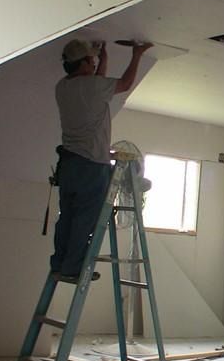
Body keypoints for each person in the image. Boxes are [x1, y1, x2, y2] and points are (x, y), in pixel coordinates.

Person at [49, 38, 152, 282]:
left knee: (67, 216)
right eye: (91, 60)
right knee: (86, 219)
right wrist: (137, 55)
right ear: (84, 63)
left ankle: (60, 263)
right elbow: (124, 83)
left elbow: (96, 86)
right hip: (90, 168)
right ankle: (73, 267)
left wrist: (103, 59)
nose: (95, 63)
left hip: (69, 165)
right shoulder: (93, 87)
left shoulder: (62, 87)